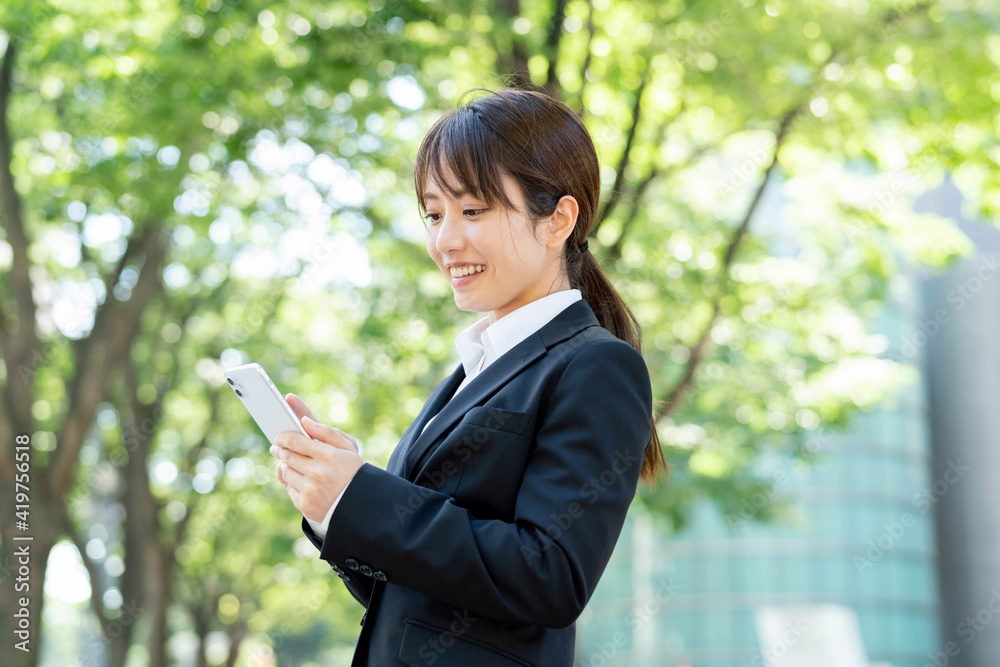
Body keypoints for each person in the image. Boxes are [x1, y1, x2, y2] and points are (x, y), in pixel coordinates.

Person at [270, 86, 669, 666]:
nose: (445, 240)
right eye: (434, 214)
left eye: (473, 210)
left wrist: (363, 496)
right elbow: (410, 600)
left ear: (558, 219)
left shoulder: (596, 367)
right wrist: (332, 507)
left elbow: (550, 576)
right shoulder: (473, 368)